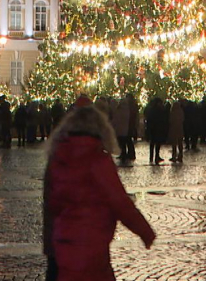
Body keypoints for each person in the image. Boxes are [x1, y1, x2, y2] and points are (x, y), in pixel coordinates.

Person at [43, 103, 155, 280]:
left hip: (64, 243)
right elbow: (120, 202)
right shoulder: (98, 160)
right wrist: (145, 232)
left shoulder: (58, 157)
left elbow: (53, 202)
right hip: (92, 244)